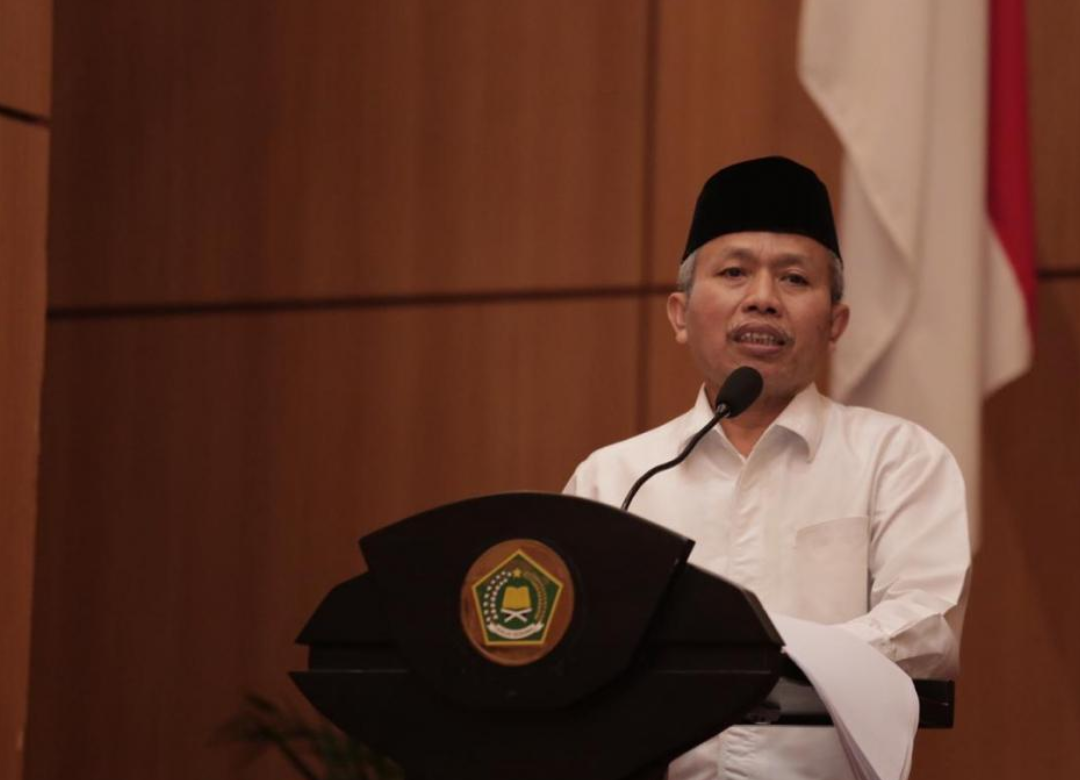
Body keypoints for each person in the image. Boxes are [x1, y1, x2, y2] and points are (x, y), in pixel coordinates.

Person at [563, 157, 971, 780]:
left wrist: (757, 658)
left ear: (834, 324)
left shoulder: (898, 458)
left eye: (794, 279)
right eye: (733, 272)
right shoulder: (614, 477)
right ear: (680, 314)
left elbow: (925, 628)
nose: (762, 298)